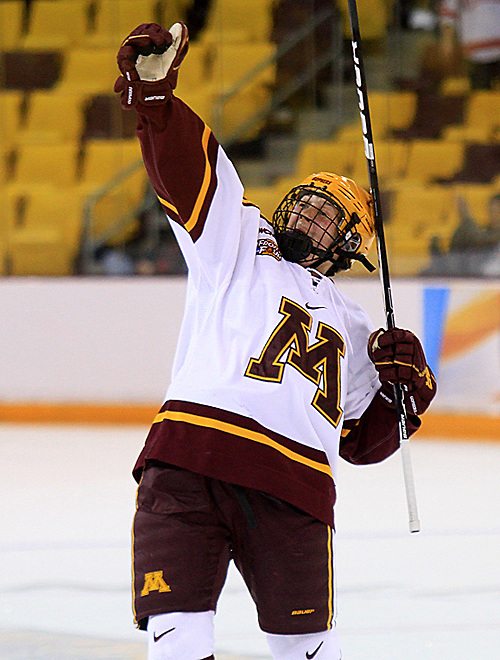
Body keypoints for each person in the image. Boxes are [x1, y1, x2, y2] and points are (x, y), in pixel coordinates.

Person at [114, 22, 437, 660]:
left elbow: (365, 443)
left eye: (327, 217)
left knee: (307, 646)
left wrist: (409, 389)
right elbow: (189, 175)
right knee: (177, 635)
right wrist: (156, 101)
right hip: (190, 461)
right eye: (304, 203)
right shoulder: (235, 242)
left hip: (294, 487)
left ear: (348, 247)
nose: (306, 216)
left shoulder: (354, 327)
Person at [438, 0, 500, 89]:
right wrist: (447, 43)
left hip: (481, 48)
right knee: (480, 94)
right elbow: (448, 15)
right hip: (475, 53)